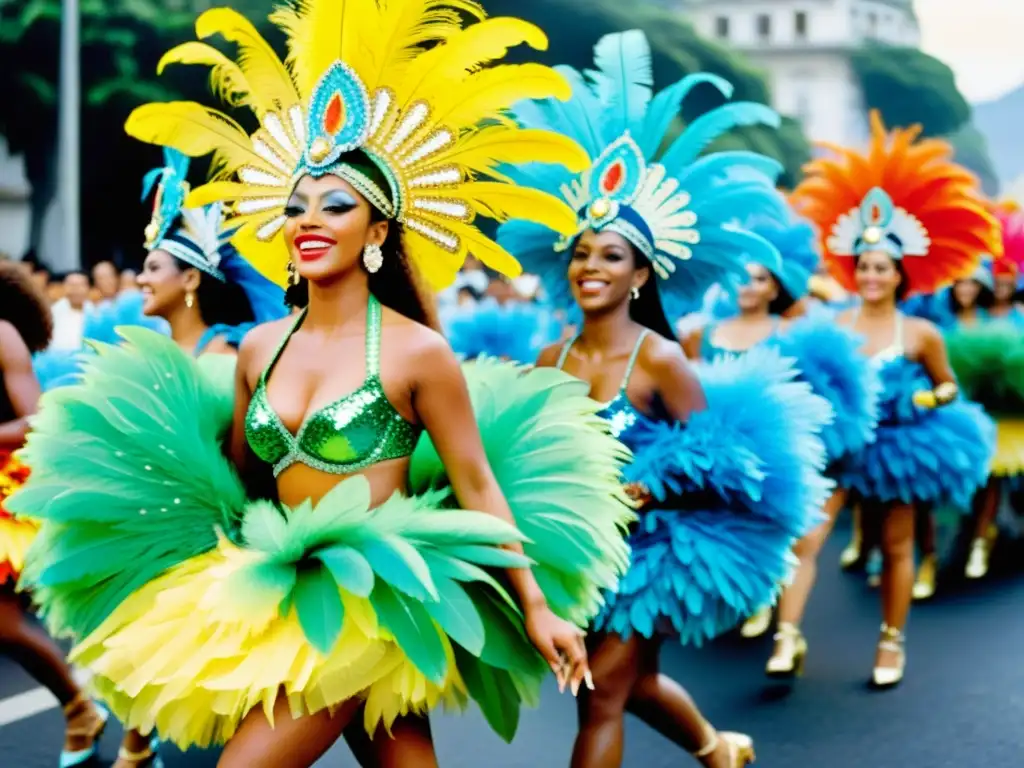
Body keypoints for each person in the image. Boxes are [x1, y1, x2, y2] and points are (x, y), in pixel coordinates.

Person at [12, 3, 635, 767]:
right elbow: (246, 485)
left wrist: (534, 604)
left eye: (335, 205)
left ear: (377, 233)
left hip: (376, 601)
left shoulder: (418, 352)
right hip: (282, 594)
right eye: (294, 206)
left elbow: (477, 486)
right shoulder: (259, 348)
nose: (309, 219)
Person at [500, 30, 833, 767]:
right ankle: (719, 750)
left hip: (649, 554)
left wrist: (648, 483)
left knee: (603, 695)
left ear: (641, 276)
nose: (591, 266)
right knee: (635, 684)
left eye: (610, 255)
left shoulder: (661, 359)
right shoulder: (548, 356)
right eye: (581, 253)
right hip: (575, 552)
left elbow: (721, 460)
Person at [791, 111, 997, 687]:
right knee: (807, 535)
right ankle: (786, 633)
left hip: (900, 445)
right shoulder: (834, 322)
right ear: (852, 271)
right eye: (863, 266)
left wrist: (929, 402)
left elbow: (947, 385)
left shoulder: (922, 333)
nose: (871, 274)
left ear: (899, 274)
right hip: (844, 444)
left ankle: (891, 643)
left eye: (881, 267)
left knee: (897, 542)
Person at [683, 210, 880, 670]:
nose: (746, 287)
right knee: (754, 540)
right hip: (730, 465)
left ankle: (787, 638)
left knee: (803, 545)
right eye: (739, 278)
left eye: (758, 279)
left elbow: (820, 396)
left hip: (786, 460)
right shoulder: (701, 335)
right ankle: (760, 601)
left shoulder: (792, 333)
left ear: (775, 287)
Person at [0, 260, 109, 767]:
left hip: (5, 492)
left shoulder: (1, 335)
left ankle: (79, 707)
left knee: (2, 625)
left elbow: (35, 418)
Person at [49, 271, 92, 351]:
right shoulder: (54, 312)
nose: (76, 290)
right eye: (72, 285)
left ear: (88, 288)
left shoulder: (95, 314)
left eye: (79, 285)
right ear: (64, 287)